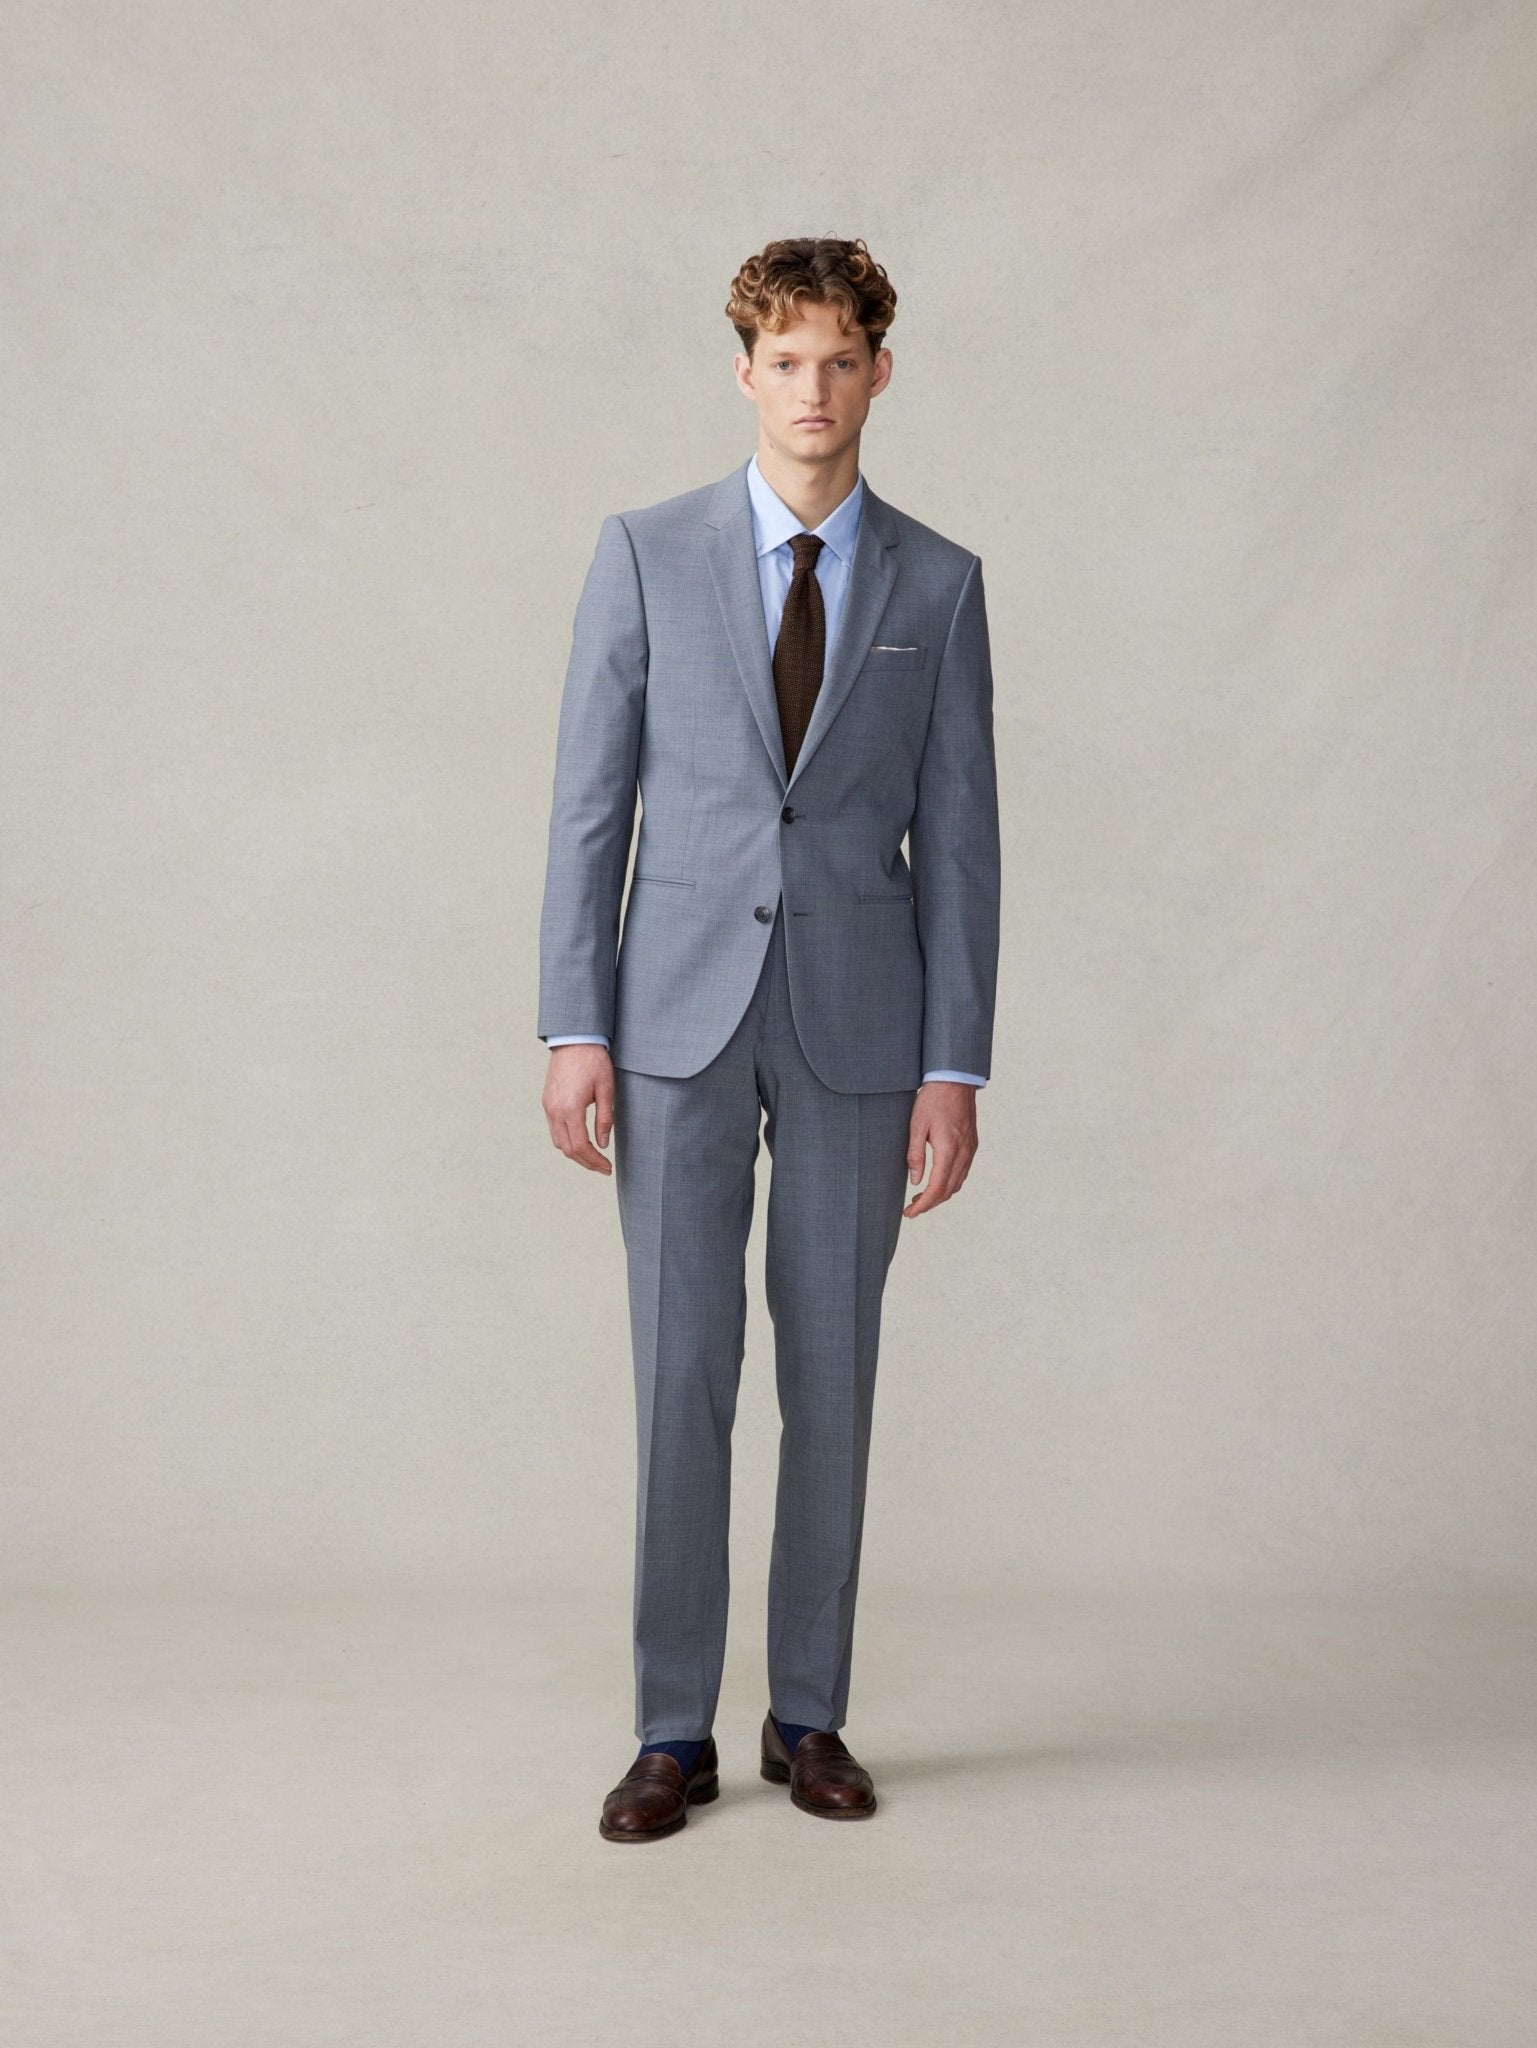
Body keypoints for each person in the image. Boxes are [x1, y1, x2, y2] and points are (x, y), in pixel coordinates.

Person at [537, 235, 1000, 1842]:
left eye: (840, 357)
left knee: (835, 1373)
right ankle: (672, 1730)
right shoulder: (645, 551)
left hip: (860, 1029)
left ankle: (809, 1715)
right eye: (782, 360)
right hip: (666, 1020)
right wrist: (572, 1023)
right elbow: (592, 806)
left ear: (880, 368)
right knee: (683, 1376)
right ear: (743, 373)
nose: (812, 389)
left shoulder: (938, 583)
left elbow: (959, 841)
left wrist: (956, 1065)